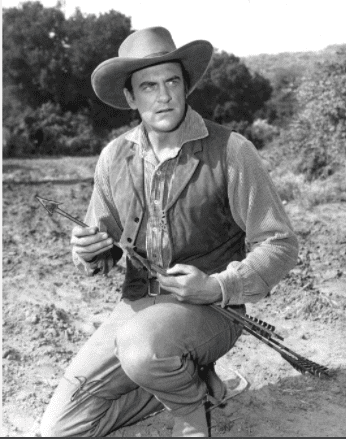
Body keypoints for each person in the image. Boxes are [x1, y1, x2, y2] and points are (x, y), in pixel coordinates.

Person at [40, 27, 299, 437]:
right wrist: (88, 249)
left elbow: (279, 243)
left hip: (212, 312)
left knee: (143, 350)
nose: (163, 96)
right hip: (139, 311)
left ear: (185, 86)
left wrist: (217, 286)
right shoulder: (113, 158)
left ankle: (191, 416)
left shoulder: (231, 150)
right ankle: (194, 378)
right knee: (62, 427)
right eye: (148, 86)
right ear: (130, 98)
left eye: (171, 82)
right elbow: (102, 247)